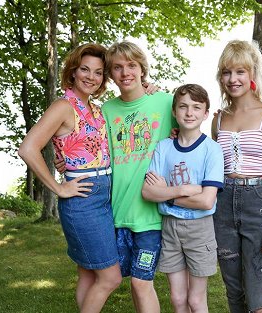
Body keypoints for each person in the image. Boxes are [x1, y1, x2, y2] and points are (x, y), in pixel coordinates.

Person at [18, 43, 122, 313]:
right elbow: (28, 148)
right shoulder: (64, 106)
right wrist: (58, 188)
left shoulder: (97, 110)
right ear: (73, 72)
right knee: (111, 277)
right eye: (85, 69)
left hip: (103, 195)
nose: (91, 76)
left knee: (89, 274)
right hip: (82, 199)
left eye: (98, 72)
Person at [101, 41, 177, 313]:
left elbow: (194, 134)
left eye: (131, 65)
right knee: (130, 283)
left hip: (151, 215)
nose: (125, 72)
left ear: (142, 68)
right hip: (117, 212)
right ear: (110, 73)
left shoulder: (166, 102)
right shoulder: (106, 111)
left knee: (142, 282)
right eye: (117, 67)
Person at [211, 40, 262, 313]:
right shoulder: (217, 119)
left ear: (252, 74)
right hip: (223, 204)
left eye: (240, 72)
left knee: (257, 297)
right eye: (227, 72)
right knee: (234, 292)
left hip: (259, 202)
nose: (233, 79)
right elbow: (211, 166)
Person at [142, 84, 224, 313]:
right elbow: (148, 192)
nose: (189, 113)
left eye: (197, 107)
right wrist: (185, 190)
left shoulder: (212, 150)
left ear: (206, 113)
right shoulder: (164, 147)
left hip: (200, 229)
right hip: (170, 228)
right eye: (183, 107)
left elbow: (207, 201)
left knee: (196, 301)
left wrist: (166, 195)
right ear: (174, 111)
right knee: (178, 299)